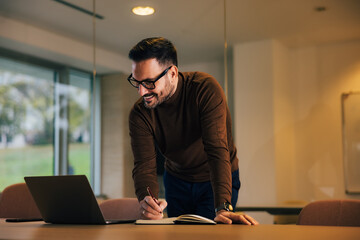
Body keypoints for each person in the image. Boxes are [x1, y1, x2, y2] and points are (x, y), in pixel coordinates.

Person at [128, 37, 258, 225]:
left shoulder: (204, 89)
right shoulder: (140, 113)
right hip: (176, 179)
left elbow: (217, 150)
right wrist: (147, 201)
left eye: (149, 82)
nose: (141, 92)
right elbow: (144, 165)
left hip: (214, 179)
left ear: (172, 73)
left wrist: (223, 206)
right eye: (136, 82)